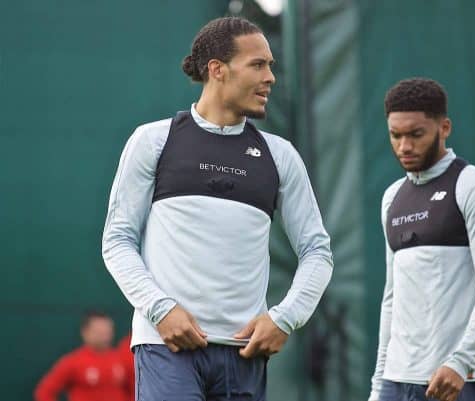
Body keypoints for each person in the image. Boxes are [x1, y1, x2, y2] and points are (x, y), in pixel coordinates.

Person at [102, 16, 333, 401]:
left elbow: (317, 251)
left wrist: (284, 318)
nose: (270, 78)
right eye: (258, 65)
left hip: (244, 354)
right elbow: (118, 240)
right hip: (165, 346)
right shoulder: (153, 140)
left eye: (271, 66)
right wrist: (161, 310)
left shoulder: (280, 156)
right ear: (217, 70)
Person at [368, 78, 475, 401]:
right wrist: (379, 385)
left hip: (459, 380)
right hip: (396, 382)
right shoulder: (392, 198)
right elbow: (392, 298)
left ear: (444, 127)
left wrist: (460, 363)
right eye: (396, 135)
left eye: (416, 134)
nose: (405, 146)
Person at [34, 311, 129, 401]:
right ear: (85, 332)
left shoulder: (121, 358)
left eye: (107, 331)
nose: (104, 336)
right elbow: (44, 392)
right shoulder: (73, 362)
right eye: (99, 332)